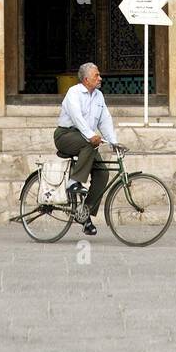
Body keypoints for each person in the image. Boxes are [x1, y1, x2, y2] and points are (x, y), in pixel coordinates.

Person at [54, 62, 117, 237]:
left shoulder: (98, 96)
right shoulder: (74, 92)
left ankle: (84, 213)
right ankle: (74, 182)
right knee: (90, 144)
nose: (100, 78)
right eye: (97, 75)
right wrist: (90, 135)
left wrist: (114, 142)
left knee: (102, 173)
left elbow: (105, 120)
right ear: (86, 78)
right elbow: (76, 117)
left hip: (85, 139)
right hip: (66, 136)